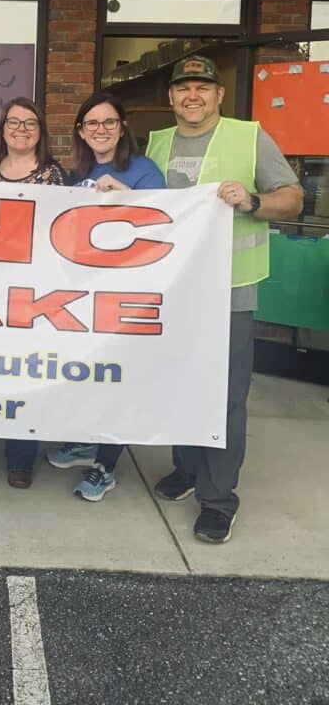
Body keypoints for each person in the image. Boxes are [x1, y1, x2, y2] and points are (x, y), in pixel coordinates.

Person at [147, 54, 302, 544]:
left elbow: (293, 198)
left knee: (225, 397)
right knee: (178, 384)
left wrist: (253, 201)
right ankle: (187, 469)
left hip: (229, 290)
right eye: (183, 88)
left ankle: (218, 499)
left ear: (218, 95)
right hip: (174, 291)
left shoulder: (248, 136)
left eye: (202, 88)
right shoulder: (157, 143)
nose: (192, 96)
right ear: (171, 97)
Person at [46, 91, 166, 501]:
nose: (100, 130)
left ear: (122, 127)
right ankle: (87, 443)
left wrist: (127, 200)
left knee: (117, 377)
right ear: (80, 131)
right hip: (80, 294)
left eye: (108, 122)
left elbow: (165, 226)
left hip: (124, 293)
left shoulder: (143, 170)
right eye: (92, 124)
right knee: (87, 375)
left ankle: (106, 465)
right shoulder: (73, 169)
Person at [0, 96, 66, 489]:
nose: (21, 129)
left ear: (41, 131)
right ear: (2, 129)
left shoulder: (55, 176)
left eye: (30, 123)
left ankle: (21, 456)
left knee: (23, 370)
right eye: (13, 122)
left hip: (31, 290)